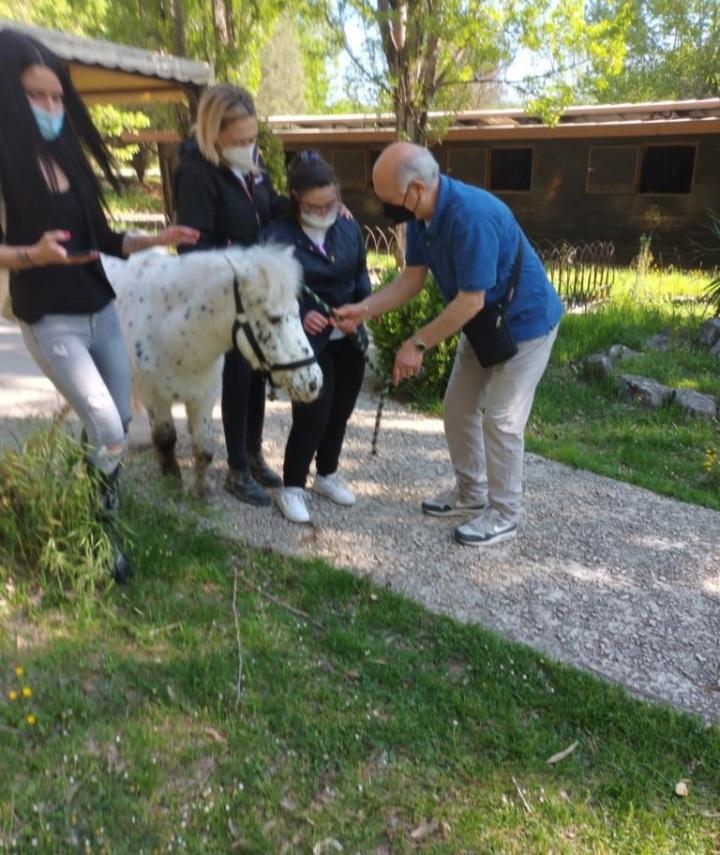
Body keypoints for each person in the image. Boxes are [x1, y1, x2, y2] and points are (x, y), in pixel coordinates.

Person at [0, 28, 199, 581]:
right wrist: (31, 255)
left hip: (99, 308)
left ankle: (96, 516)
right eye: (36, 96)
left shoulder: (70, 158)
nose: (50, 107)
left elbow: (104, 239)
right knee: (109, 428)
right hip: (50, 319)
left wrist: (156, 239)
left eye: (56, 96)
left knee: (118, 422)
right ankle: (100, 538)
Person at [335, 142, 563, 547]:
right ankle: (471, 494)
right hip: (482, 324)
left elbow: (471, 299)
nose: (384, 208)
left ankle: (504, 514)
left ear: (416, 189)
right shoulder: (422, 217)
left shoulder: (471, 217)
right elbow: (413, 278)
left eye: (388, 200)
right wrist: (363, 310)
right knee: (458, 407)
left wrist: (417, 344)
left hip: (526, 324)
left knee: (502, 420)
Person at [173, 84, 286, 507]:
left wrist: (312, 207)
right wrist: (239, 258)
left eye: (252, 138)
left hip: (255, 286)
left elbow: (268, 207)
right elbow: (192, 246)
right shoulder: (196, 173)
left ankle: (253, 455)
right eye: (239, 140)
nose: (249, 147)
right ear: (214, 133)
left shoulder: (250, 163)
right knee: (238, 375)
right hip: (223, 291)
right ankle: (237, 469)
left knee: (257, 373)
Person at [262, 152, 370, 524]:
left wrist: (361, 309)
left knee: (341, 410)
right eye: (315, 206)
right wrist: (302, 311)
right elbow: (268, 288)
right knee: (313, 412)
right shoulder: (277, 235)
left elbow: (361, 273)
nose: (325, 211)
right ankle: (292, 486)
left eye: (331, 203)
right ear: (296, 198)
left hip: (349, 335)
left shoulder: (348, 227)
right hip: (305, 341)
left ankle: (327, 473)